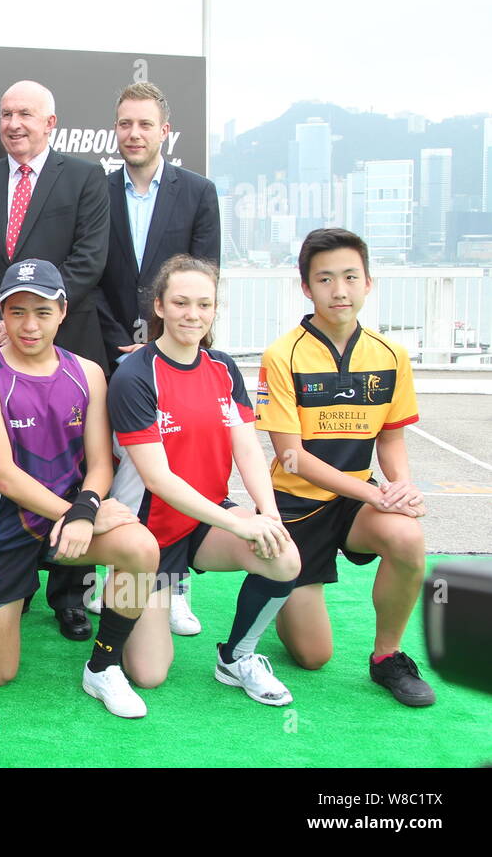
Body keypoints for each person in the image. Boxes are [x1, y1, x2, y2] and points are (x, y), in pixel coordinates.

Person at [0, 259, 160, 718]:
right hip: (1, 527)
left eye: (42, 311)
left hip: (67, 523)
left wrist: (85, 510)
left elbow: (101, 463)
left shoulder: (87, 372)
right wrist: (75, 513)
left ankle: (103, 666)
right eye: (17, 311)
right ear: (1, 314)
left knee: (141, 547)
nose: (29, 324)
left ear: (63, 311)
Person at [0, 79, 112, 640]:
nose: (14, 123)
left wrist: (39, 322)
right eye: (6, 113)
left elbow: (90, 260)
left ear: (51, 122)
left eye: (27, 114)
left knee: (74, 463)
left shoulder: (85, 179)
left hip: (63, 348)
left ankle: (68, 592)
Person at [109, 254, 301, 706]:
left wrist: (268, 515)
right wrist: (239, 523)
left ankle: (237, 657)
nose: (192, 314)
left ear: (215, 309)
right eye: (180, 303)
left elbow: (248, 448)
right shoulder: (135, 376)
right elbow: (157, 479)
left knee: (283, 558)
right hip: (147, 535)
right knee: (149, 674)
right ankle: (122, 583)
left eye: (203, 304)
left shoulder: (223, 368)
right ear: (159, 306)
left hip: (202, 522)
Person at [256, 229, 434, 707]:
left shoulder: (391, 355)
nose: (340, 290)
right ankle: (282, 592)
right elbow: (292, 455)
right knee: (313, 657)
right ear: (306, 287)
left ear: (368, 283)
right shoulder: (282, 355)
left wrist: (401, 488)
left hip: (357, 500)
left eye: (351, 277)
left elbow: (391, 437)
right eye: (326, 278)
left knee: (407, 535)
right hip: (296, 507)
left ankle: (388, 658)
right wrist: (375, 495)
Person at [93, 81, 221, 637]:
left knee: (180, 466)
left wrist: (160, 338)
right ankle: (120, 577)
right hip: (111, 348)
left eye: (145, 124)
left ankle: (175, 583)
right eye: (125, 123)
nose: (135, 133)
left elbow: (205, 275)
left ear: (165, 130)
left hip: (177, 352)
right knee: (125, 470)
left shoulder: (197, 191)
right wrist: (123, 337)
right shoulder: (96, 190)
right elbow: (89, 274)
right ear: (115, 129)